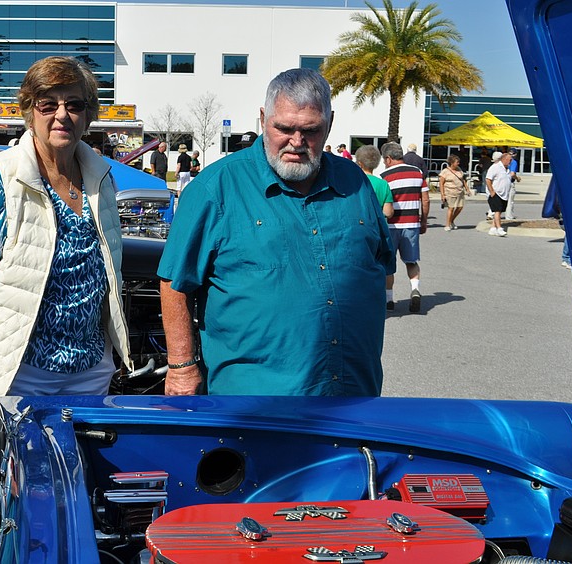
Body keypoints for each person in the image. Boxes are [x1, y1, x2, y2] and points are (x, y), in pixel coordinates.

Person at [158, 68, 395, 397]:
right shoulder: (215, 189)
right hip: (254, 406)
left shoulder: (356, 184)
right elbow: (175, 282)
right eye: (283, 128)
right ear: (262, 118)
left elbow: (381, 264)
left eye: (311, 130)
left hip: (353, 394)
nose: (297, 143)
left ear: (330, 123)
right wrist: (181, 366)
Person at [0, 56, 132, 396]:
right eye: (48, 104)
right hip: (19, 374)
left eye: (74, 104)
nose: (62, 115)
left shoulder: (101, 177)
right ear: (30, 112)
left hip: (91, 372)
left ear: (88, 115)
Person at [380, 142, 429, 313]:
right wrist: (424, 220)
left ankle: (389, 300)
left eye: (385, 160)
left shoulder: (385, 176)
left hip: (391, 225)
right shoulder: (417, 173)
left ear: (389, 158)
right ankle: (414, 289)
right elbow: (426, 199)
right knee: (411, 261)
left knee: (388, 263)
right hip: (412, 224)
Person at [354, 144, 394, 218]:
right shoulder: (383, 184)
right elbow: (388, 213)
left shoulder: (353, 182)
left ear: (360, 163)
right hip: (376, 226)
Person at [485, 150, 515, 237]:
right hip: (495, 193)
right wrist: (492, 191)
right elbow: (488, 179)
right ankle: (499, 228)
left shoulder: (507, 169)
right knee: (497, 211)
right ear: (504, 159)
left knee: (500, 210)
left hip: (504, 194)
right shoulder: (495, 167)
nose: (511, 161)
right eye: (509, 160)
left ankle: (493, 228)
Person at [438, 154, 469, 231]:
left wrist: (467, 189)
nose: (458, 163)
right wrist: (442, 194)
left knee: (460, 207)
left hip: (459, 192)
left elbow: (463, 180)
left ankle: (451, 220)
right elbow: (441, 183)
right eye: (457, 162)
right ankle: (447, 225)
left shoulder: (459, 169)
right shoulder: (445, 171)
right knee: (451, 208)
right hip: (450, 192)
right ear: (452, 163)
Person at [505, 149, 521, 220]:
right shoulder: (513, 162)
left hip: (501, 182)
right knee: (510, 201)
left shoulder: (503, 161)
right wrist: (517, 178)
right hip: (510, 182)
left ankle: (491, 213)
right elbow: (512, 174)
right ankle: (509, 216)